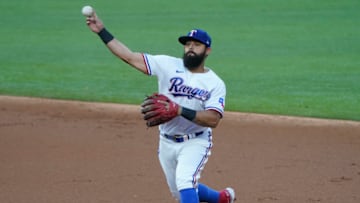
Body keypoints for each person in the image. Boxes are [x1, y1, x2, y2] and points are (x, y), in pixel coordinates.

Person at [84, 10, 236, 203]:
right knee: (180, 193)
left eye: (196, 45)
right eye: (188, 44)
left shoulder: (215, 83)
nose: (190, 48)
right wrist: (101, 31)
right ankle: (221, 198)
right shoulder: (167, 64)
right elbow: (129, 57)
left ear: (207, 51)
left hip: (195, 141)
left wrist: (179, 110)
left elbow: (213, 119)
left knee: (185, 183)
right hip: (166, 141)